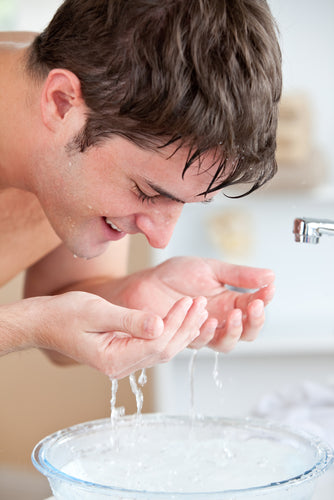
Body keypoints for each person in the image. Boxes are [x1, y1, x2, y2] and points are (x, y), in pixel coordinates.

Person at [0, 0, 281, 380]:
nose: (160, 239)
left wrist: (130, 299)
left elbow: (60, 304)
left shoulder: (91, 109)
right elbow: (40, 319)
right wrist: (30, 325)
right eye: (148, 192)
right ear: (61, 102)